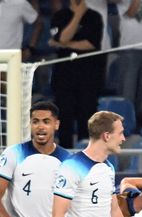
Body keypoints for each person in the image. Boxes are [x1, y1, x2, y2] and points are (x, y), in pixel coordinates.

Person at [49, 0, 106, 148]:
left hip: (88, 76)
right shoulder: (60, 16)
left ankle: (86, 153)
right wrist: (78, 15)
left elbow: (91, 44)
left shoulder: (94, 16)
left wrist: (64, 45)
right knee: (64, 117)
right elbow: (62, 37)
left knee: (87, 117)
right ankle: (65, 152)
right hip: (64, 76)